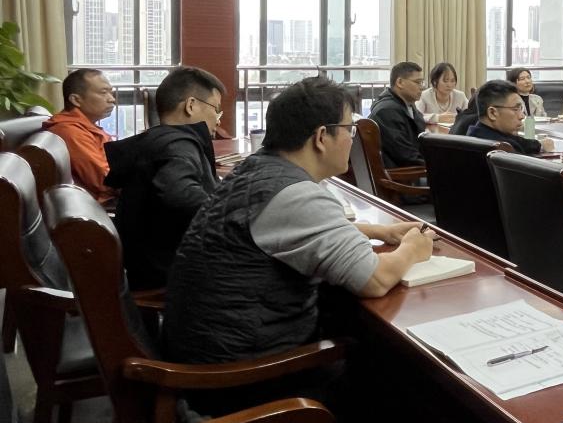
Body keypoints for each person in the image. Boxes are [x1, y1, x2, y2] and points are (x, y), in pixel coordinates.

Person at [163, 76, 434, 374]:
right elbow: (375, 280)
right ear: (321, 137)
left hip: (209, 347)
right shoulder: (294, 194)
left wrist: (379, 231)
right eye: (349, 129)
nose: (351, 139)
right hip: (241, 373)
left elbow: (278, 232)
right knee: (396, 364)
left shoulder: (257, 169)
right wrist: (413, 248)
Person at [104, 67, 224, 291]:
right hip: (171, 275)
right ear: (191, 105)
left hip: (149, 264)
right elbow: (180, 195)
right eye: (216, 109)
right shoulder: (178, 145)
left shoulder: (158, 140)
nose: (218, 120)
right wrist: (235, 211)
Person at [44, 68, 117, 203]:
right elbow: (106, 181)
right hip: (104, 204)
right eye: (103, 93)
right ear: (76, 100)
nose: (112, 99)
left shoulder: (85, 127)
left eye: (111, 92)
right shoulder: (70, 132)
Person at [467, 79, 555, 154]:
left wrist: (540, 145)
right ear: (492, 113)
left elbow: (519, 141)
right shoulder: (502, 149)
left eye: (520, 108)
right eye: (515, 109)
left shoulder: (476, 132)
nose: (522, 116)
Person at [368, 61, 427, 167]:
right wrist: (437, 164)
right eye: (418, 82)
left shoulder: (408, 105)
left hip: (410, 167)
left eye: (422, 82)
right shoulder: (387, 111)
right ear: (400, 82)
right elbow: (406, 156)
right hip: (399, 173)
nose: (422, 87)